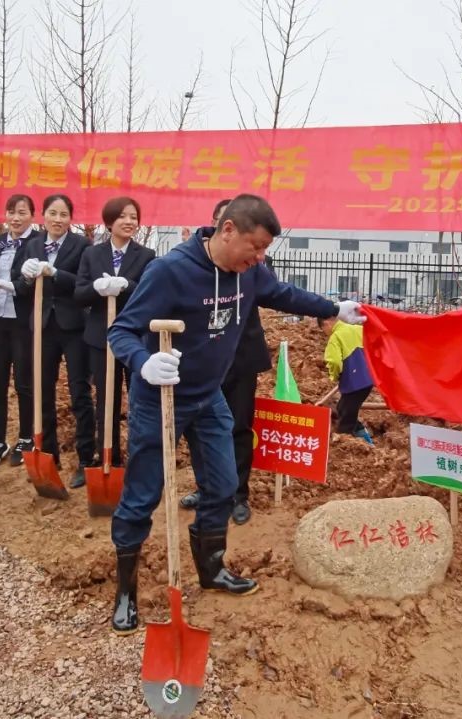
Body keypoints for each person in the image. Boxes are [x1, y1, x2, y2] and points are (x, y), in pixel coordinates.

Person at [106, 193, 365, 635]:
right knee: (143, 493)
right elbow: (121, 330)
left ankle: (211, 569)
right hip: (162, 397)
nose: (260, 257)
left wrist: (331, 308)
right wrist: (143, 362)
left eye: (265, 249)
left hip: (209, 397)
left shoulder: (251, 273)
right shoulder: (169, 271)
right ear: (228, 230)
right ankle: (126, 590)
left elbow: (283, 294)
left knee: (224, 485)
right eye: (256, 246)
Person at [179, 198, 276, 526]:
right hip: (205, 360)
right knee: (201, 428)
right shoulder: (195, 264)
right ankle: (207, 488)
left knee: (238, 426)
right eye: (219, 221)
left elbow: (276, 293)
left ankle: (238, 494)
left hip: (242, 356)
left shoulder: (253, 262)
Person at [14, 194, 96, 488]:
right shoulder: (32, 245)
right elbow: (23, 288)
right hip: (43, 326)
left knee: (79, 391)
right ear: (43, 216)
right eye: (52, 213)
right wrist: (25, 278)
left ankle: (86, 457)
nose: (57, 219)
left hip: (73, 326)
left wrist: (56, 272)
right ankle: (48, 454)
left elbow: (83, 284)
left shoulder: (82, 246)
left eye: (63, 214)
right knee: (42, 390)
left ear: (70, 218)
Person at [74, 197, 155, 472]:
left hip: (135, 339)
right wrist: (97, 288)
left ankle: (139, 460)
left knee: (139, 401)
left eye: (133, 217)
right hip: (101, 338)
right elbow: (79, 294)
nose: (129, 222)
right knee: (106, 401)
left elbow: (150, 293)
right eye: (122, 216)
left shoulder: (146, 255)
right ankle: (109, 457)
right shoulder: (92, 254)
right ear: (109, 222)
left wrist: (127, 285)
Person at [0, 194, 39, 469]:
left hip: (22, 321)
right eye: (11, 212)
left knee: (24, 383)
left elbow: (32, 281)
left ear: (32, 215)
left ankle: (26, 437)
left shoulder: (37, 242)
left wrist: (14, 285)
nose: (15, 218)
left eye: (22, 212)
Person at [318, 314, 374, 444]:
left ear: (326, 323)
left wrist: (334, 375)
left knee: (346, 418)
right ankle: (366, 440)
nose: (325, 333)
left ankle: (344, 443)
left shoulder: (335, 337)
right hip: (368, 380)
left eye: (323, 329)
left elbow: (334, 362)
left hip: (354, 383)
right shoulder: (358, 329)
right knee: (343, 408)